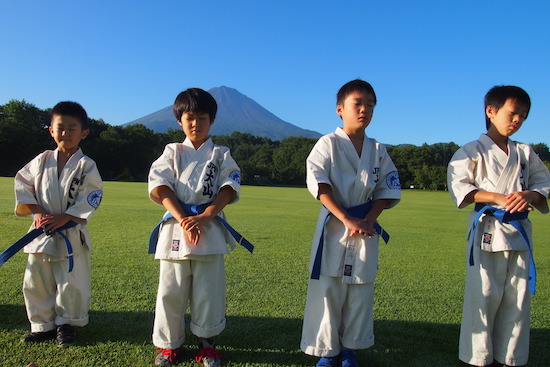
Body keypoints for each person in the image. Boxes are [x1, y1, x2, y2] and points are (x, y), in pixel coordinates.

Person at [300, 79, 401, 367]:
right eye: (358, 103)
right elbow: (319, 185)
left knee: (360, 288)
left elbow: (387, 189)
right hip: (334, 224)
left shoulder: (378, 149)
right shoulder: (327, 144)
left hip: (365, 228)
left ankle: (349, 350)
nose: (365, 109)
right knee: (328, 289)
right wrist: (346, 217)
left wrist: (368, 220)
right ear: (340, 109)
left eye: (371, 104)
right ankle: (326, 351)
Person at [447, 85, 550, 367]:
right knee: (484, 297)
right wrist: (496, 197)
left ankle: (510, 358)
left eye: (524, 116)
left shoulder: (526, 152)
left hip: (518, 232)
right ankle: (479, 358)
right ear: (490, 112)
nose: (517, 120)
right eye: (513, 113)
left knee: (516, 300)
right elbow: (460, 187)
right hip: (487, 229)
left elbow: (544, 183)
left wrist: (529, 194)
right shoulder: (470, 151)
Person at [148, 88, 247, 367]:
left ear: (211, 120)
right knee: (171, 290)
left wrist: (207, 214)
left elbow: (229, 186)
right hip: (176, 227)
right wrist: (182, 218)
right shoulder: (171, 152)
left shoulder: (220, 153)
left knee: (209, 290)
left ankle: (207, 344)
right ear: (179, 120)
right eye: (189, 118)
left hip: (210, 227)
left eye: (202, 118)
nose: (195, 124)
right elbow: (161, 187)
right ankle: (169, 345)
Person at [13, 101, 103, 345]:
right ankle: (42, 325)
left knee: (71, 282)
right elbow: (22, 183)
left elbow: (91, 196)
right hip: (41, 232)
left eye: (72, 128)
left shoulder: (87, 166)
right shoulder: (41, 161)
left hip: (70, 232)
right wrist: (36, 211)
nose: (65, 133)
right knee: (36, 280)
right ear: (51, 131)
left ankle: (67, 324)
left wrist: (67, 216)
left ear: (83, 132)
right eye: (60, 128)